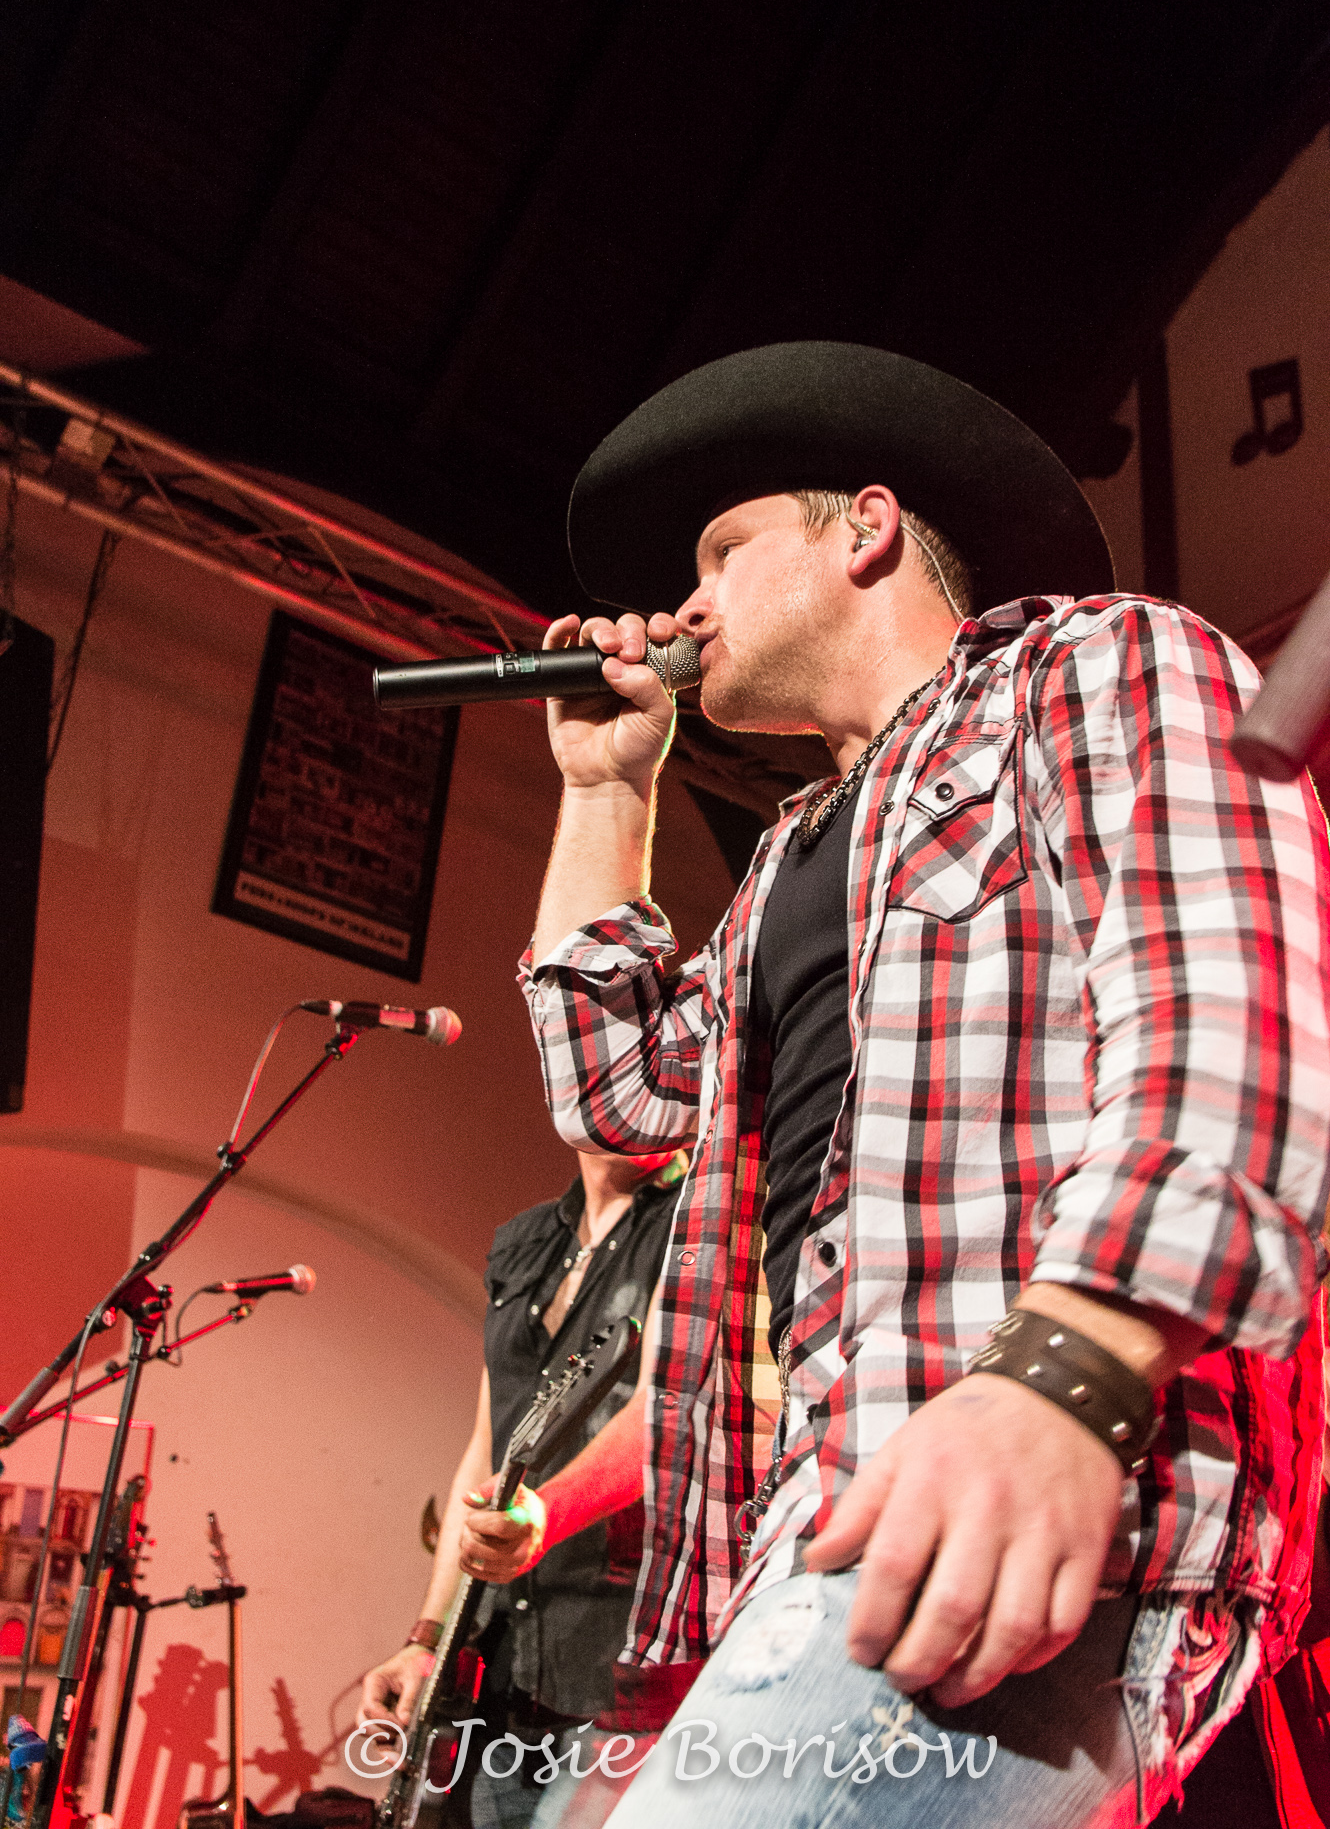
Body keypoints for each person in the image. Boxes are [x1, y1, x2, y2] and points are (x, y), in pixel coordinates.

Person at [516, 342, 1330, 1828]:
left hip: (1040, 1475)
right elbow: (620, 1097)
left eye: (722, 550)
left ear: (867, 530)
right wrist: (603, 787)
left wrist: (1068, 1376)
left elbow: (1234, 1011)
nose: (683, 605)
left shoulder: (1097, 662)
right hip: (831, 1516)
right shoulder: (787, 862)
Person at [358, 1144, 683, 1827]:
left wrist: (545, 1515)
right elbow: (486, 1450)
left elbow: (662, 1414)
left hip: (617, 1659)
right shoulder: (526, 1241)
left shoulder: (695, 1220)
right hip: (502, 1664)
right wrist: (428, 1639)